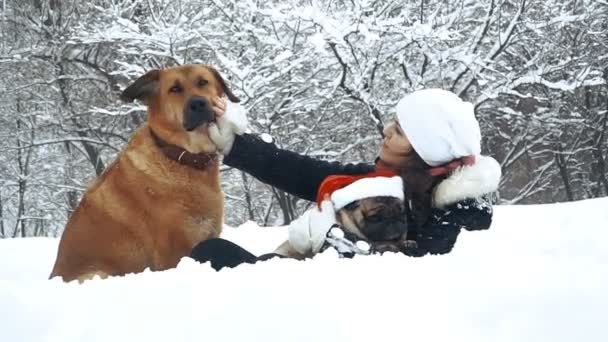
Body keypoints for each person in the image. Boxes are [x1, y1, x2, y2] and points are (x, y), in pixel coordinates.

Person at [191, 88, 501, 270]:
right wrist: (234, 143)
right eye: (393, 124)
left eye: (400, 132)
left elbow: (413, 274)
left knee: (210, 256)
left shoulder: (452, 215)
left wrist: (336, 241)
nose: (386, 132)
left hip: (333, 310)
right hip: (306, 284)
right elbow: (301, 172)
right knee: (211, 251)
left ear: (424, 151)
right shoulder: (378, 181)